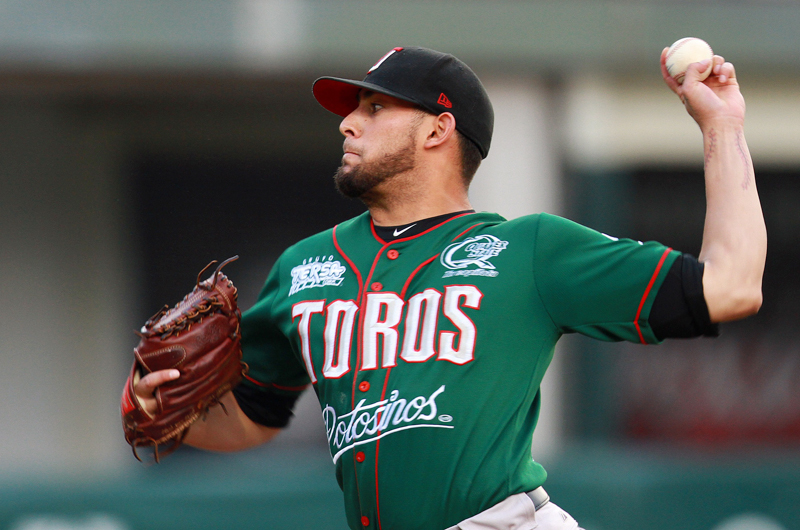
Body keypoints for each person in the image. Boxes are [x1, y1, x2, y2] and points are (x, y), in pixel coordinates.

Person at [132, 46, 766, 529]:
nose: (349, 123)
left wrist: (723, 126)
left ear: (438, 129)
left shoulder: (531, 251)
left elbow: (731, 285)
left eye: (375, 107)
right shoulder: (304, 268)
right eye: (352, 110)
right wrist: (169, 415)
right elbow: (252, 420)